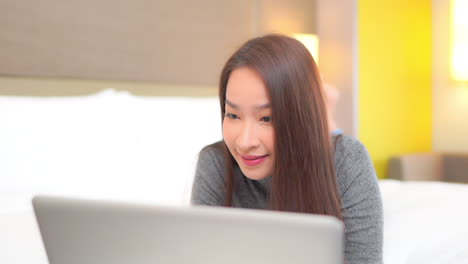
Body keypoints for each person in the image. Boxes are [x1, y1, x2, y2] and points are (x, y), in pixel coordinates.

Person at [191, 34, 383, 264]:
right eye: (233, 114)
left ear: (302, 116)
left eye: (267, 118)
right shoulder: (215, 163)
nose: (245, 141)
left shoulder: (347, 161)